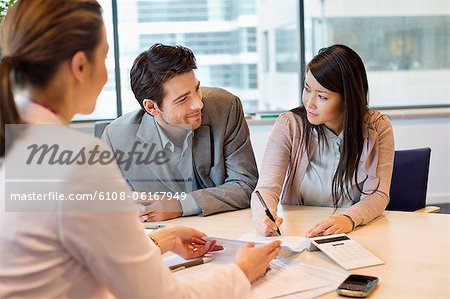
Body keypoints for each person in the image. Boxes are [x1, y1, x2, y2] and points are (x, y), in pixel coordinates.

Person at [0, 1, 280, 298]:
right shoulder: (77, 162)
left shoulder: (22, 144)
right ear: (80, 66)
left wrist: (164, 239)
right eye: (105, 56)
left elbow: (84, 252)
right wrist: (241, 273)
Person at [101, 43, 258, 221]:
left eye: (197, 89)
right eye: (183, 99)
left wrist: (179, 205)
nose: (198, 104)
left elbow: (247, 185)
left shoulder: (225, 108)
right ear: (151, 106)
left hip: (221, 227)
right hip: (158, 237)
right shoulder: (117, 136)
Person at [251, 44, 395, 237]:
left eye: (322, 96)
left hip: (354, 231)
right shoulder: (290, 125)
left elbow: (378, 195)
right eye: (307, 89)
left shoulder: (377, 127)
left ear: (348, 99)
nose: (309, 102)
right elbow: (267, 188)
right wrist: (263, 216)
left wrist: (348, 219)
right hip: (300, 231)